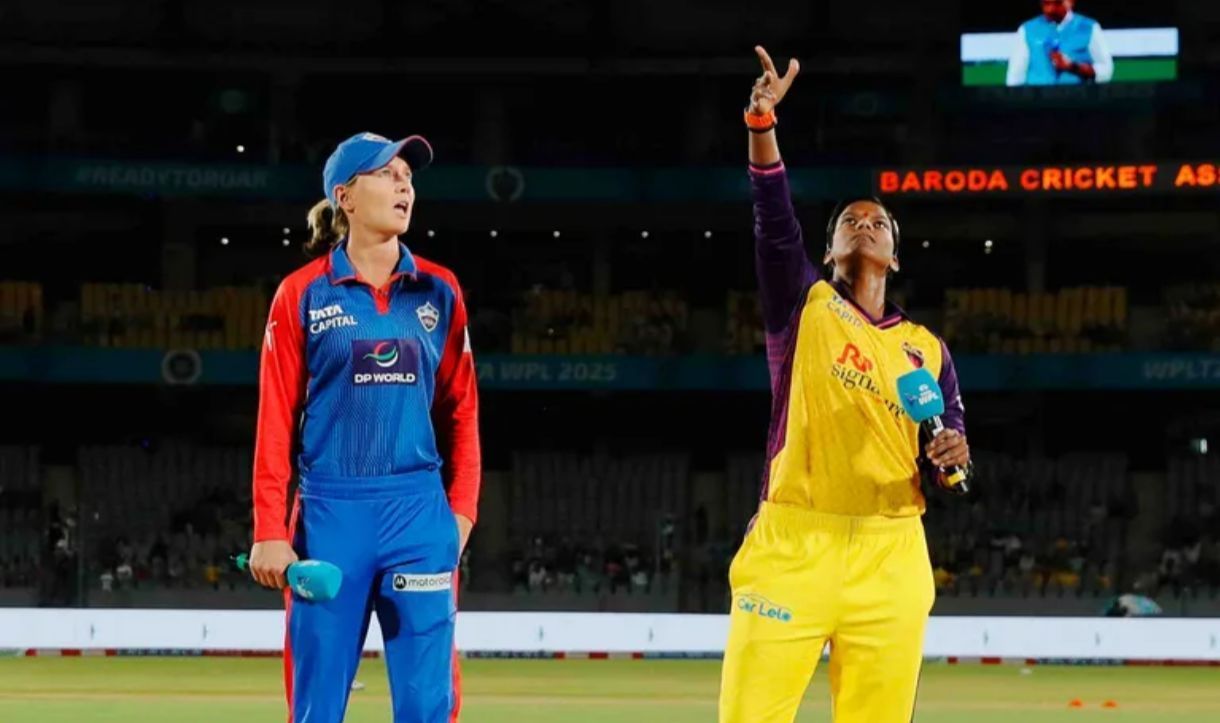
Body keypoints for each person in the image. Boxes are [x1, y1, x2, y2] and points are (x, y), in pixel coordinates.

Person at [719, 48, 974, 723]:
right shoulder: (802, 307)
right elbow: (774, 222)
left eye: (880, 222)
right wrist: (761, 121)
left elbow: (950, 456)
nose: (865, 224)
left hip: (892, 553)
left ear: (894, 253)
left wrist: (955, 462)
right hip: (791, 545)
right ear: (828, 250)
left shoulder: (927, 350)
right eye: (848, 221)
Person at [248, 131, 480, 723]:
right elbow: (275, 417)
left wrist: (461, 515)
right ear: (345, 196)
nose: (405, 183)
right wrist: (270, 529)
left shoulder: (441, 290)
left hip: (418, 514)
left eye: (409, 175)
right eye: (387, 173)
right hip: (330, 519)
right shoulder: (300, 294)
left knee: (428, 707)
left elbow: (462, 411)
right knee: (317, 707)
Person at [1006, 0, 1114, 86]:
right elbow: (1015, 76)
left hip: (1077, 103)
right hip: (1037, 105)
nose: (1050, 9)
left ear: (1071, 2)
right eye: (1046, 3)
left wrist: (1074, 67)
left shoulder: (1089, 28)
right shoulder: (1027, 30)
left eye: (1057, 3)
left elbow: (1106, 70)